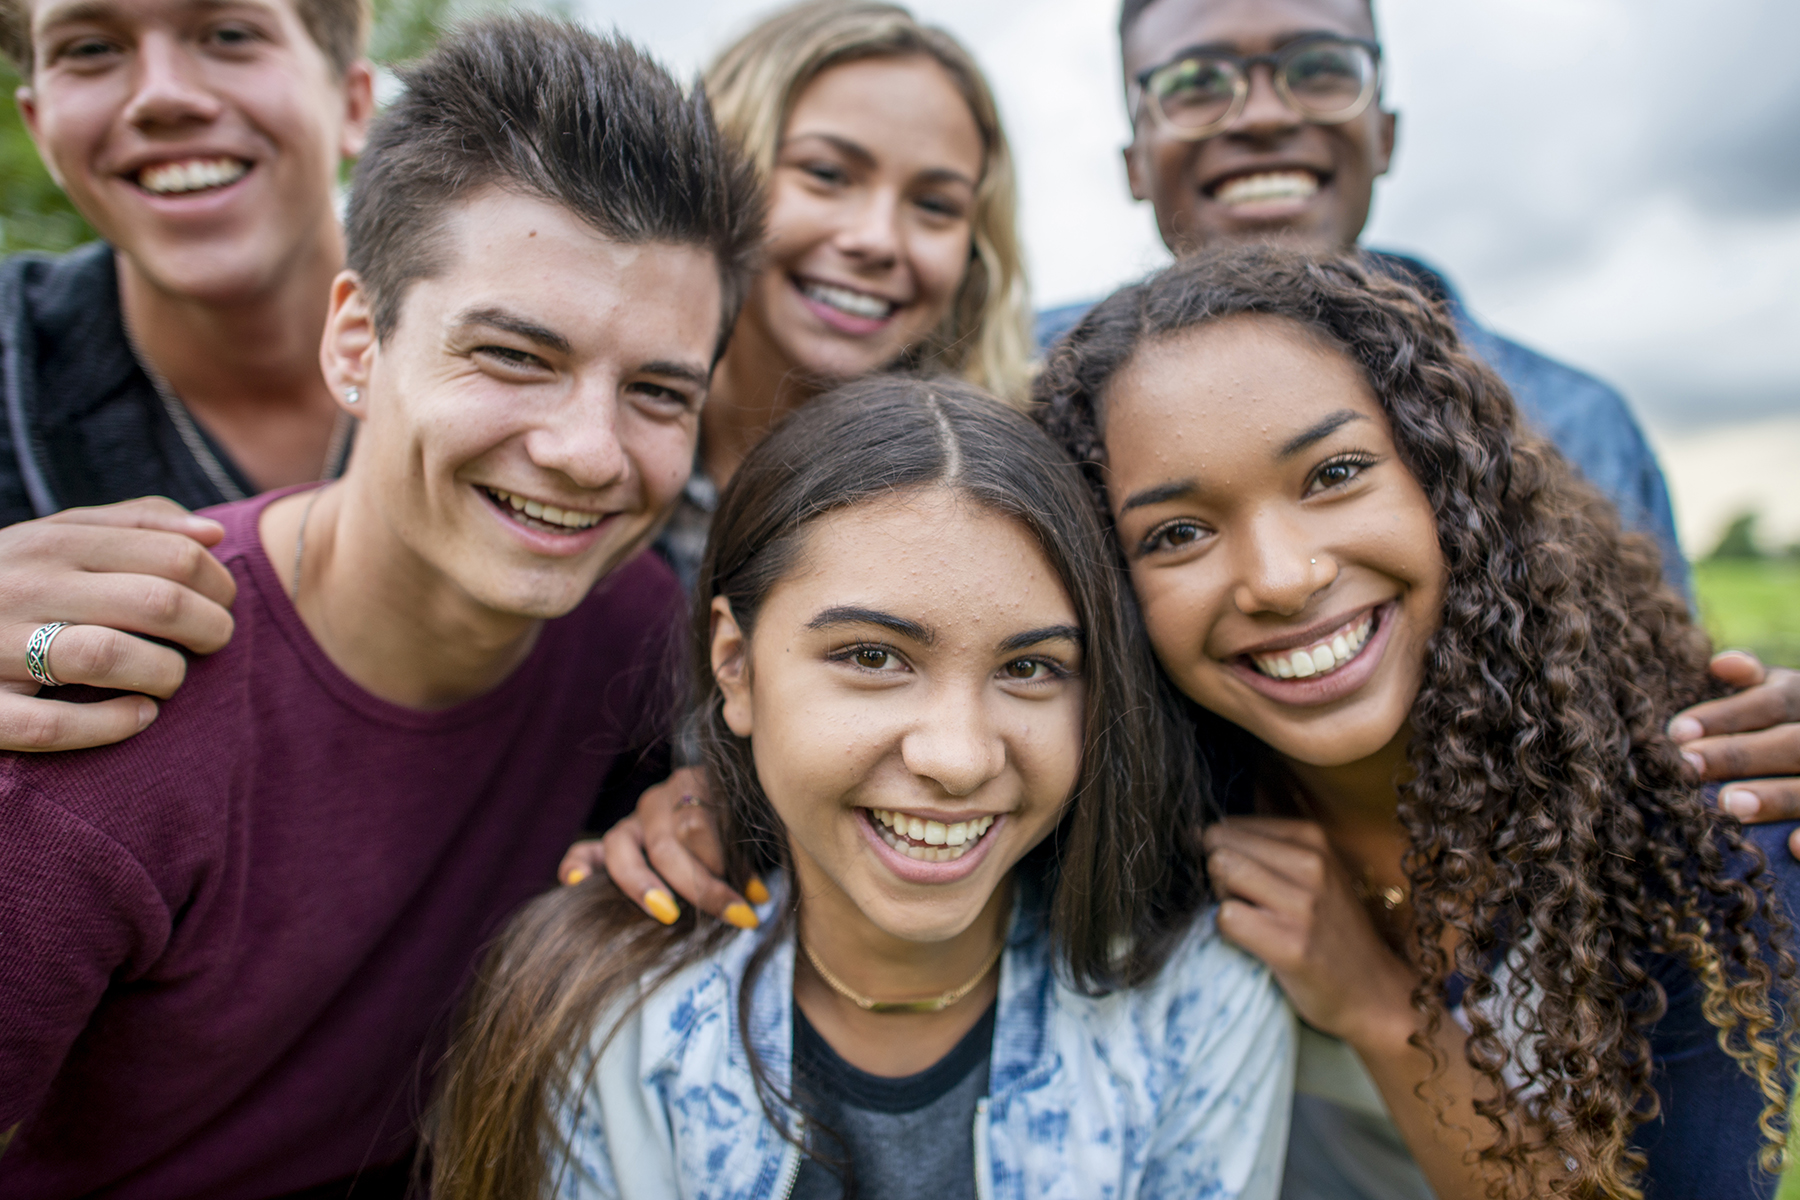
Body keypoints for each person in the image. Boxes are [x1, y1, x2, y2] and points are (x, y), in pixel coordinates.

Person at [588, 0, 1800, 911]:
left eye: (1318, 68)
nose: (1261, 111)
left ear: (1385, 124)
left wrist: (1756, 762)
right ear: (1134, 154)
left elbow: (1653, 761)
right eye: (1197, 81)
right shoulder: (1027, 411)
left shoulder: (1570, 423)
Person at [0, 17, 760, 1195]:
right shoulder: (109, 716)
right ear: (358, 342)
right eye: (513, 355)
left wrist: (707, 807)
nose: (587, 452)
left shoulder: (633, 634)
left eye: (658, 390)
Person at [1035, 245, 1798, 1199]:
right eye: (1177, 534)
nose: (1281, 578)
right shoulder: (1137, 819)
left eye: (1335, 472)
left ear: (1447, 477)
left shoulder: (1700, 831)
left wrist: (1378, 1007)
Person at [430, 379, 1296, 1200]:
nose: (957, 759)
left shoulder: (1196, 1014)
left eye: (1031, 668)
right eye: (874, 658)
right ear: (736, 666)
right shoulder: (603, 1013)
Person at [0, 0, 373, 749]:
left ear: (353, 103)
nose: (163, 95)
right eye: (92, 47)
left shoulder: (534, 351)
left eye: (230, 34)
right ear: (40, 129)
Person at [652, 0, 1031, 591]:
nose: (878, 240)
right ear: (720, 170)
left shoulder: (1010, 502)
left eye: (934, 205)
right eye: (827, 174)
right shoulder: (593, 441)